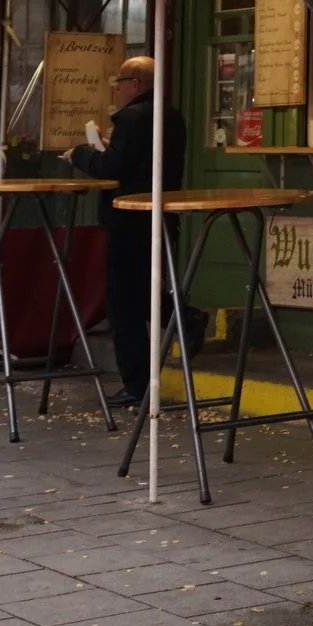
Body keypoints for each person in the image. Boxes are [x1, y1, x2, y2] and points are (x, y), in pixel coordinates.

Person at [69, 56, 185, 407]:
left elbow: (114, 167)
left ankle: (136, 384)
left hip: (129, 217)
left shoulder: (133, 117)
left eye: (120, 83)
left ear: (134, 83)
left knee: (124, 305)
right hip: (161, 215)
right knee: (148, 291)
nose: (117, 90)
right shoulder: (171, 114)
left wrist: (81, 155)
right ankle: (184, 319)